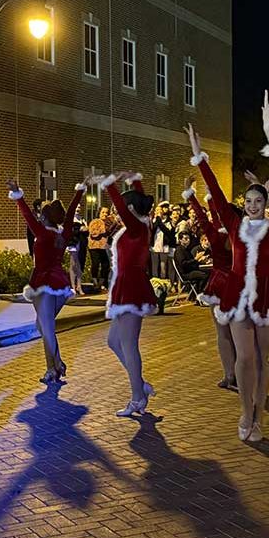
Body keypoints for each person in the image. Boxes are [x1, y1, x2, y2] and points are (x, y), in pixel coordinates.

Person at [187, 106, 269, 443]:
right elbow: (215, 195)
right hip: (236, 293)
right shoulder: (234, 224)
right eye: (248, 200)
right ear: (243, 203)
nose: (252, 204)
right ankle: (246, 411)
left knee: (261, 359)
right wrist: (200, 157)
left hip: (266, 295)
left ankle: (258, 416)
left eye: (257, 199)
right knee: (244, 357)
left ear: (265, 201)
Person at [6, 176, 87, 384]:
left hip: (43, 282)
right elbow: (70, 214)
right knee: (43, 326)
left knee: (46, 328)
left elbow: (26, 214)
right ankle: (57, 363)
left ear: (43, 217)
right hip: (59, 283)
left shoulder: (41, 233)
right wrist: (79, 192)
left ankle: (53, 368)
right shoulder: (64, 232)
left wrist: (18, 195)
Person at [100, 171, 158, 417]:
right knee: (114, 341)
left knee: (129, 344)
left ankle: (138, 397)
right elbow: (136, 201)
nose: (116, 212)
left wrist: (110, 185)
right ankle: (140, 384)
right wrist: (134, 179)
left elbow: (126, 208)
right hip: (125, 286)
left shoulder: (137, 226)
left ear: (130, 208)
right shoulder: (136, 226)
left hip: (132, 287)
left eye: (121, 207)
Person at [183, 182, 238, 390]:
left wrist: (193, 196)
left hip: (218, 283)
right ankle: (237, 373)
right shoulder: (238, 235)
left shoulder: (216, 235)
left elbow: (204, 217)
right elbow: (214, 216)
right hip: (236, 284)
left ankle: (229, 374)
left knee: (222, 334)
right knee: (238, 334)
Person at [87, 207, 112, 291]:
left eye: (106, 213)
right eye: (103, 212)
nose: (105, 214)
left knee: (106, 264)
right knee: (96, 263)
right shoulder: (95, 221)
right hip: (94, 246)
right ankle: (94, 281)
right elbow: (93, 232)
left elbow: (110, 232)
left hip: (103, 246)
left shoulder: (107, 222)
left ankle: (101, 283)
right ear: (99, 213)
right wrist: (103, 229)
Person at [67, 207, 88, 295]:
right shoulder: (70, 219)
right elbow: (68, 231)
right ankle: (72, 286)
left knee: (80, 264)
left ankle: (79, 285)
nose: (78, 209)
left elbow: (87, 231)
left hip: (82, 243)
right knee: (73, 264)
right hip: (73, 243)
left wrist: (86, 229)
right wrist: (78, 229)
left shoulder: (82, 219)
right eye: (77, 207)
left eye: (80, 207)